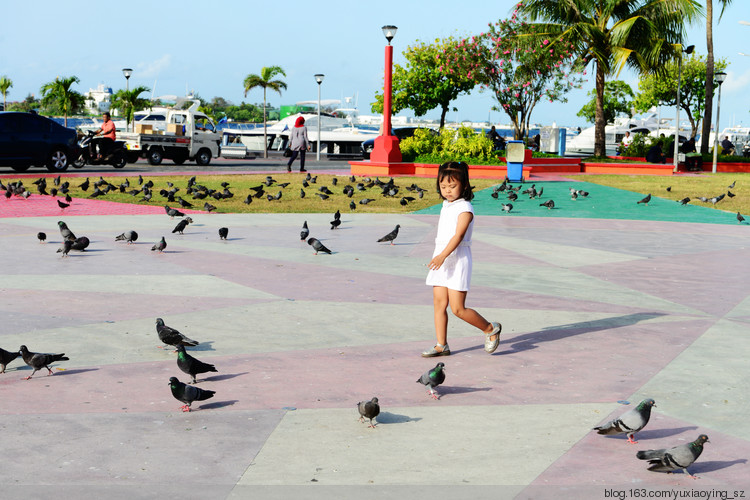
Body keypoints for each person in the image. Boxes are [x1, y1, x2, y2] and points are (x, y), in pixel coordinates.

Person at [423, 161, 502, 357]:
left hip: (457, 259)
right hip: (441, 258)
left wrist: (442, 255)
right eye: (443, 186)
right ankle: (441, 345)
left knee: (458, 308)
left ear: (464, 185)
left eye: (452, 186)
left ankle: (490, 329)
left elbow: (458, 236)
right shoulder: (446, 206)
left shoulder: (465, 208)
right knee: (439, 304)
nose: (447, 191)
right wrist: (439, 256)